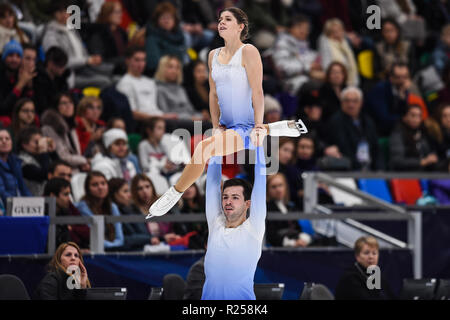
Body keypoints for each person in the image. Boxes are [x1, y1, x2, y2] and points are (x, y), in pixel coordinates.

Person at [148, 7, 306, 218]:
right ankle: (278, 128)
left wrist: (258, 126)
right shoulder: (213, 55)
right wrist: (215, 125)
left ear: (240, 26)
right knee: (207, 145)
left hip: (245, 126)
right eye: (220, 19)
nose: (221, 22)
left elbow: (258, 91)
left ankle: (174, 193)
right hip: (225, 125)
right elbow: (213, 94)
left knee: (204, 148)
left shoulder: (248, 51)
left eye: (228, 19)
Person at [201, 144, 266, 300]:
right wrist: (217, 144)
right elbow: (212, 183)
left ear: (247, 204)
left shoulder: (253, 228)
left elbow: (261, 180)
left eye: (235, 198)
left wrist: (258, 144)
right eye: (225, 197)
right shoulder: (215, 224)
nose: (228, 202)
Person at [42, 0, 112, 89]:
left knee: (114, 72)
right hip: (69, 75)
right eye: (60, 12)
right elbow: (58, 63)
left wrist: (91, 59)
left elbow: (84, 53)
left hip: (85, 68)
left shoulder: (72, 30)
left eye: (67, 11)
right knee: (105, 81)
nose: (64, 15)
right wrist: (86, 60)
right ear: (54, 14)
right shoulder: (50, 35)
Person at [326, 87, 383, 170]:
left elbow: (376, 147)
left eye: (355, 101)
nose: (351, 105)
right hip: (348, 169)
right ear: (342, 102)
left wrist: (379, 170)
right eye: (347, 101)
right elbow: (343, 147)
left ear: (361, 103)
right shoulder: (336, 121)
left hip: (369, 167)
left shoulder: (367, 121)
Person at [366, 62, 429, 136]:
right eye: (398, 77)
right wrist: (403, 119)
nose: (402, 81)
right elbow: (383, 118)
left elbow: (403, 112)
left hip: (395, 128)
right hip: (377, 130)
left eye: (405, 77)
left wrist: (402, 99)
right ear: (391, 78)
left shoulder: (403, 90)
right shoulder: (380, 90)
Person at [272, 14, 324, 96]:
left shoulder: (304, 45)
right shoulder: (282, 44)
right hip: (292, 83)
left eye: (306, 28)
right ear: (290, 28)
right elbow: (282, 68)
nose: (304, 31)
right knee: (321, 87)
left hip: (307, 79)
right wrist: (309, 67)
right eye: (300, 27)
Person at [76, 171, 125, 251]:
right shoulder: (82, 207)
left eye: (103, 183)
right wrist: (113, 246)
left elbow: (120, 238)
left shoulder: (113, 207)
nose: (100, 187)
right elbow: (93, 237)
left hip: (114, 249)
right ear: (87, 189)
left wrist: (114, 246)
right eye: (95, 185)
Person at [41, 93, 89, 172]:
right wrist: (84, 161)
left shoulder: (72, 125)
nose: (68, 106)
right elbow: (62, 157)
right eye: (64, 103)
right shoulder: (48, 128)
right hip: (61, 172)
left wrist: (83, 163)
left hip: (76, 169)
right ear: (56, 106)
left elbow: (77, 153)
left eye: (71, 102)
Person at [266, 173, 312, 248]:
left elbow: (297, 229)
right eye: (273, 187)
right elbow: (271, 235)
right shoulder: (267, 209)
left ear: (285, 187)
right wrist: (293, 243)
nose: (278, 189)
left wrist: (303, 240)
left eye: (280, 185)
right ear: (268, 190)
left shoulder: (290, 207)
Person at [43, 178, 90, 250]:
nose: (69, 199)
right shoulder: (41, 215)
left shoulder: (65, 212)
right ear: (52, 196)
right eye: (65, 194)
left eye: (69, 194)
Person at [389, 104, 439, 171]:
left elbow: (430, 153)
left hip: (424, 174)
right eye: (413, 115)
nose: (416, 119)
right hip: (405, 175)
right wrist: (421, 162)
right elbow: (397, 161)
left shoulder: (423, 133)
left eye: (419, 116)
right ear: (404, 117)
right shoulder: (397, 134)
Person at [108, 178, 152, 251]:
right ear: (114, 194)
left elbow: (144, 233)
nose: (130, 195)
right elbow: (123, 240)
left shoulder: (132, 209)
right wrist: (150, 239)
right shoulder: (111, 214)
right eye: (125, 191)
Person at [87, 0, 128, 74]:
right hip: (109, 70)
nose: (120, 15)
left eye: (121, 12)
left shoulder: (122, 33)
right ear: (107, 14)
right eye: (117, 12)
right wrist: (124, 61)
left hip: (123, 68)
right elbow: (99, 60)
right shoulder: (98, 33)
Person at [318, 18, 359, 87]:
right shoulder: (326, 44)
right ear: (328, 33)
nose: (338, 33)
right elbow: (327, 67)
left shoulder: (345, 43)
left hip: (350, 81)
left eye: (340, 30)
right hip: (336, 82)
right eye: (334, 32)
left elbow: (352, 65)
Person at [0, 40, 35, 117]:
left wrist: (29, 87)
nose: (14, 60)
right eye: (10, 55)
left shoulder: (21, 75)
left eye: (18, 56)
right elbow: (3, 109)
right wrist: (20, 84)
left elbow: (29, 106)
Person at [16, 126, 55, 196]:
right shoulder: (21, 161)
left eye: (41, 141)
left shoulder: (39, 156)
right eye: (37, 142)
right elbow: (43, 175)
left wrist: (52, 152)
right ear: (24, 144)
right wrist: (43, 151)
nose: (40, 145)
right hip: (32, 202)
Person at [34, 46, 69, 116]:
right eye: (60, 65)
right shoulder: (38, 79)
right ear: (50, 63)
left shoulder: (62, 79)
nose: (63, 69)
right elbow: (42, 104)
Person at [0, 128, 31, 204]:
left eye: (7, 138)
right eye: (0, 139)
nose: (4, 141)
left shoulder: (15, 162)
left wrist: (33, 203)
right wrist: (20, 204)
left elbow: (23, 188)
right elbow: (1, 193)